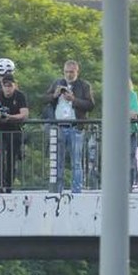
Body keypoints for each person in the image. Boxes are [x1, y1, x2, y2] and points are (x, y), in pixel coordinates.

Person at [43, 61, 94, 193]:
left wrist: (74, 100)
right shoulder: (57, 83)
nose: (69, 75)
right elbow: (44, 99)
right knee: (57, 161)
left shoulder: (84, 86)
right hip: (58, 127)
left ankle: (76, 191)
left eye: (71, 72)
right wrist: (54, 95)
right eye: (66, 72)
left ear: (77, 72)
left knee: (76, 162)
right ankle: (57, 191)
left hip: (76, 127)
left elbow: (90, 105)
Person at [0, 76, 28, 194]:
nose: (7, 89)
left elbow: (24, 114)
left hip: (14, 130)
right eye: (5, 86)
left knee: (11, 159)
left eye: (10, 86)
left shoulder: (20, 95)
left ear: (14, 85)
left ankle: (9, 185)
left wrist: (10, 117)